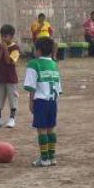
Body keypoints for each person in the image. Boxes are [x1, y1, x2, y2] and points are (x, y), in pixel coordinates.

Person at [24, 37, 62, 168]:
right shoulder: (54, 64)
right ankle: (52, 157)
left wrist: (31, 102)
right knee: (51, 129)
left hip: (41, 101)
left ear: (38, 51)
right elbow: (58, 87)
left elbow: (31, 86)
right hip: (53, 101)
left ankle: (44, 158)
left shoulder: (34, 64)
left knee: (41, 130)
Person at [0, 24, 21, 129]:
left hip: (11, 78)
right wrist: (2, 50)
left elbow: (9, 61)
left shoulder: (15, 48)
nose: (3, 38)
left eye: (6, 36)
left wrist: (6, 50)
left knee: (12, 99)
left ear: (11, 36)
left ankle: (12, 119)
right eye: (2, 36)